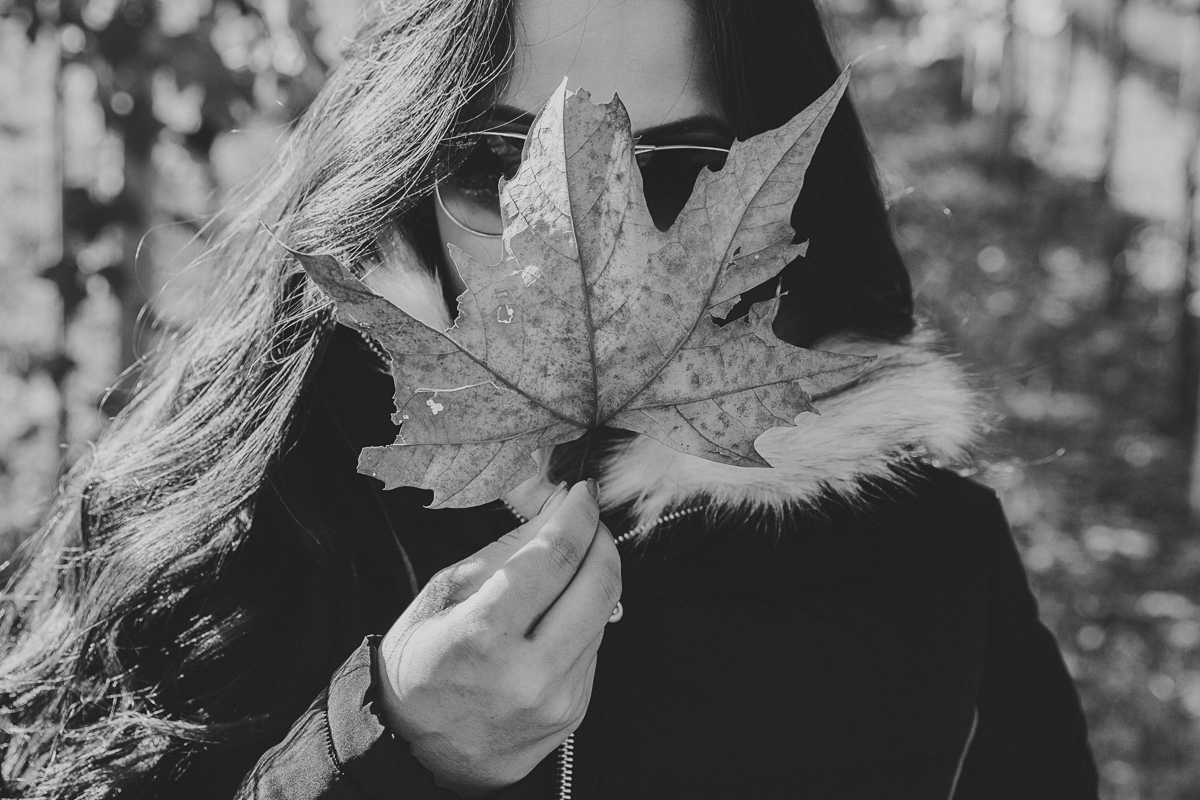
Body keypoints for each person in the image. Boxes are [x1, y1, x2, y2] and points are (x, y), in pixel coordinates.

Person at [0, 0, 1099, 798]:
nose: (580, 256)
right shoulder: (241, 509)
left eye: (672, 172)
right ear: (405, 166)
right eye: (498, 167)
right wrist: (384, 746)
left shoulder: (935, 572)